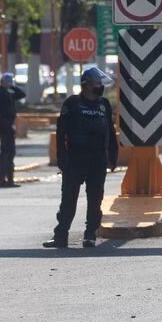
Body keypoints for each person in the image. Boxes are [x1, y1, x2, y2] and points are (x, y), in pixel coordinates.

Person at [45, 65, 118, 249]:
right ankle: (60, 236)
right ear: (86, 85)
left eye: (101, 83)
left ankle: (90, 235)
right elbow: (61, 133)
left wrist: (113, 154)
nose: (100, 86)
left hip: (97, 160)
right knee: (68, 201)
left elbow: (110, 130)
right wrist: (62, 158)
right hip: (75, 160)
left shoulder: (104, 105)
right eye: (97, 83)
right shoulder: (72, 103)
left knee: (95, 200)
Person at [0, 72, 24, 188]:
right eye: (7, 83)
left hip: (9, 125)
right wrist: (6, 125)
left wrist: (12, 86)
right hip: (3, 126)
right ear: (2, 82)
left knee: (10, 152)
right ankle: (2, 180)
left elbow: (22, 94)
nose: (9, 85)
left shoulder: (8, 93)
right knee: (5, 152)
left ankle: (10, 179)